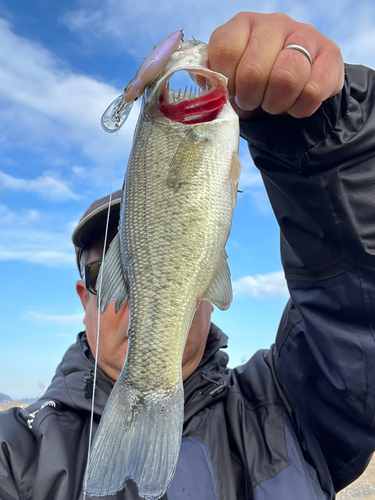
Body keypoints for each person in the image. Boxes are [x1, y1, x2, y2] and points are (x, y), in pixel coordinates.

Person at [1, 11, 374, 500]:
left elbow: (360, 318)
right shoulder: (16, 456)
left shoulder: (291, 404)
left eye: (149, 263)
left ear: (205, 279)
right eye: (107, 273)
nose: (136, 296)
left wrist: (327, 141)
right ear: (85, 298)